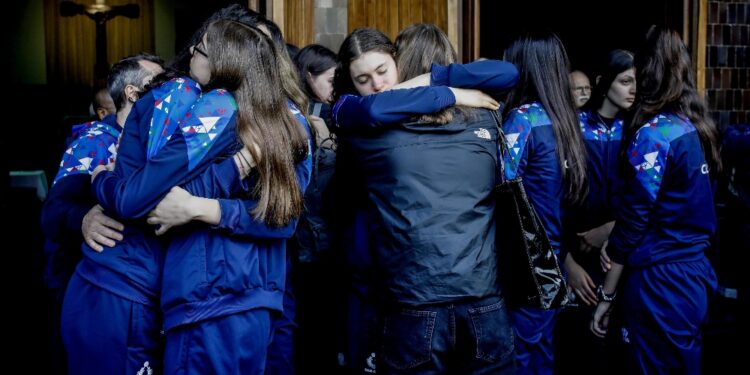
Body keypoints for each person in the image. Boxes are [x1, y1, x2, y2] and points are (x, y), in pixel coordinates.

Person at [93, 20, 312, 374]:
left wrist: (101, 182)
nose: (191, 53)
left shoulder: (218, 107)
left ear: (222, 62)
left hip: (210, 292)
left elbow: (158, 201)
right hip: (256, 296)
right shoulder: (279, 121)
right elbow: (281, 218)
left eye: (200, 49)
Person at [332, 24, 519, 374]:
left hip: (418, 302)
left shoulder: (368, 133)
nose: (378, 85)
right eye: (364, 79)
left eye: (384, 71)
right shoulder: (484, 117)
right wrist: (451, 92)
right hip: (481, 295)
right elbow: (371, 109)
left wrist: (437, 81)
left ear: (398, 63)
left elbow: (508, 72)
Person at [591, 27, 722, 375]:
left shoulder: (655, 135)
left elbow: (634, 222)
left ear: (648, 70)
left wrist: (606, 296)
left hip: (662, 281)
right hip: (695, 275)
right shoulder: (695, 127)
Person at [40, 52, 164, 375]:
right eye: (159, 84)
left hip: (143, 297)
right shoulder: (93, 143)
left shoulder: (160, 142)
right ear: (132, 94)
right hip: (95, 296)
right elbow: (52, 211)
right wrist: (83, 219)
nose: (170, 92)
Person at [500, 31, 588, 375]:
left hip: (524, 264)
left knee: (518, 357)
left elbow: (499, 188)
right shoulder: (565, 121)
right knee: (542, 355)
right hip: (551, 262)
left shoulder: (523, 120)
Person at [556, 49, 634, 375]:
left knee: (613, 346)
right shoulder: (574, 126)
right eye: (627, 81)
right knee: (575, 346)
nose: (634, 89)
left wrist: (611, 230)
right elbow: (553, 195)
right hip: (575, 250)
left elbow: (645, 199)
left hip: (619, 252)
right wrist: (565, 258)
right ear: (604, 82)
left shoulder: (637, 129)